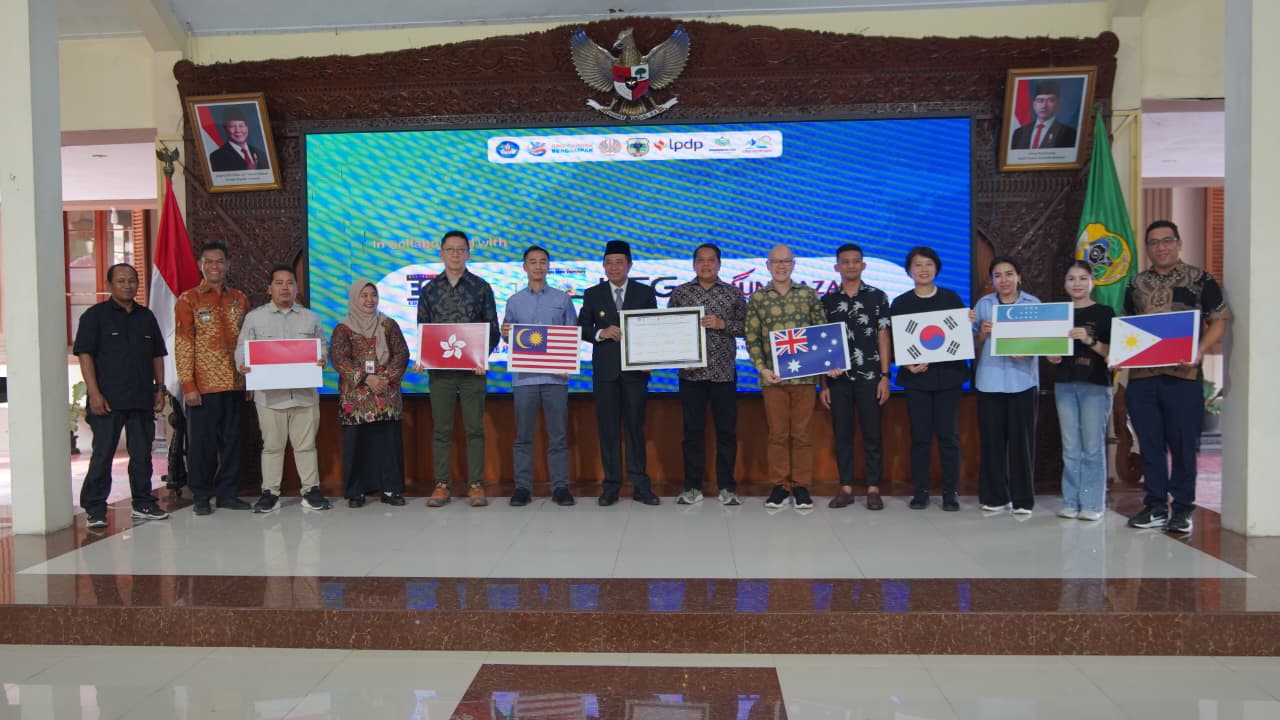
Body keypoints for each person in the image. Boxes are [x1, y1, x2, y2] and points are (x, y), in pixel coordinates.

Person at [1123, 220, 1230, 535]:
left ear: (1179, 243)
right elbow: (1128, 328)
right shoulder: (1135, 284)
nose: (1161, 247)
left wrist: (1200, 351)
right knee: (1150, 444)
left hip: (1183, 376)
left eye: (1167, 240)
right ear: (1147, 248)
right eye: (1153, 242)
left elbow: (1219, 320)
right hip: (1142, 379)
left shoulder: (1200, 279)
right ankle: (1155, 506)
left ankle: (1182, 509)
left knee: (1183, 445)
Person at [73, 263, 169, 528]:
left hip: (141, 398)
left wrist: (159, 388)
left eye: (132, 280)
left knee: (142, 455)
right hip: (107, 400)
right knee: (103, 455)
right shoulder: (94, 316)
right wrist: (94, 393)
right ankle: (95, 508)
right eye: (121, 281)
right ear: (109, 285)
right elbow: (85, 356)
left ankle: (143, 503)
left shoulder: (146, 317)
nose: (127, 285)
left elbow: (157, 355)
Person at [235, 265, 330, 513]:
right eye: (279, 283)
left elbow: (322, 345)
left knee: (306, 446)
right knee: (272, 447)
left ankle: (311, 491)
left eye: (290, 283)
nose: (285, 288)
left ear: (297, 288)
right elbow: (241, 348)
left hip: (304, 394)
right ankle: (270, 493)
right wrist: (242, 363)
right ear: (270, 288)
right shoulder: (255, 318)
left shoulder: (310, 318)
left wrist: (322, 357)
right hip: (269, 397)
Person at [417, 230, 500, 508]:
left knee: (474, 429)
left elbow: (493, 329)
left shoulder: (481, 287)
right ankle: (442, 485)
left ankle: (476, 484)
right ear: (441, 253)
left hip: (472, 374)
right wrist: (424, 356)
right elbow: (423, 329)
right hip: (440, 374)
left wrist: (481, 358)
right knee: (442, 429)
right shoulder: (429, 290)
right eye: (450, 249)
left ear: (468, 253)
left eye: (460, 249)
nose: (455, 254)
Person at [578, 239, 661, 506]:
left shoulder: (644, 292)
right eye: (609, 263)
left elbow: (653, 328)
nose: (614, 267)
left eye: (619, 262)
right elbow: (581, 327)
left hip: (636, 373)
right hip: (606, 373)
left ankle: (640, 485)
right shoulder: (592, 293)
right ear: (603, 266)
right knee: (609, 430)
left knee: (635, 428)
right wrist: (601, 332)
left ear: (630, 265)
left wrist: (651, 358)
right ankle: (611, 486)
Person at [745, 244, 827, 510]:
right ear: (767, 265)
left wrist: (828, 364)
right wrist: (762, 368)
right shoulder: (758, 298)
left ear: (793, 264)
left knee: (801, 434)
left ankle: (801, 486)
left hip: (805, 379)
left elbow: (822, 333)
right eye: (776, 261)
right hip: (773, 379)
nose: (781, 266)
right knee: (777, 434)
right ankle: (780, 486)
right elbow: (752, 338)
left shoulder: (808, 295)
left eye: (786, 261)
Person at [890, 246, 969, 512]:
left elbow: (960, 338)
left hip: (948, 378)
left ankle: (950, 492)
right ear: (909, 271)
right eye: (917, 265)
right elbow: (893, 342)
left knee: (948, 436)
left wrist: (967, 322)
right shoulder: (900, 303)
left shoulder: (951, 298)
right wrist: (906, 363)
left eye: (928, 264)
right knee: (920, 437)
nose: (923, 269)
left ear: (936, 268)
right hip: (917, 381)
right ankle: (920, 492)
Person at [668, 243, 747, 507]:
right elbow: (669, 331)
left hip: (724, 374)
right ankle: (692, 487)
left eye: (711, 260)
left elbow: (747, 327)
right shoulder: (681, 293)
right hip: (691, 376)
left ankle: (727, 487)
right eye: (700, 260)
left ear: (719, 264)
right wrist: (681, 359)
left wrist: (723, 324)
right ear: (693, 264)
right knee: (692, 434)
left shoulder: (733, 293)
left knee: (727, 433)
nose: (706, 264)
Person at [174, 241, 249, 516]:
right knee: (201, 445)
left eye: (220, 261)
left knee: (232, 443)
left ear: (228, 265)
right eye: (209, 261)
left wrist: (250, 382)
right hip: (203, 388)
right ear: (200, 265)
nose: (215, 266)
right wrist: (188, 385)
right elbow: (183, 345)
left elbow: (248, 343)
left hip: (236, 384)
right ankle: (202, 495)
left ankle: (228, 493)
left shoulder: (240, 299)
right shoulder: (188, 300)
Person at [501, 245, 578, 507]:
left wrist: (568, 362)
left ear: (548, 266)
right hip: (524, 379)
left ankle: (560, 487)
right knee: (523, 436)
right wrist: (506, 333)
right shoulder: (514, 301)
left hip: (556, 379)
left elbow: (571, 335)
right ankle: (522, 488)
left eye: (542, 261)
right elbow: (509, 336)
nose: (538, 266)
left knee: (558, 436)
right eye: (532, 262)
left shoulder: (562, 299)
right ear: (525, 267)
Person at [819, 243, 891, 511]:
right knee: (843, 435)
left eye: (855, 261)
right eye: (845, 261)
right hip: (837, 380)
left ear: (863, 265)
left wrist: (885, 376)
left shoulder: (878, 297)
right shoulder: (826, 301)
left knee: (873, 434)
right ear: (837, 266)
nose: (851, 265)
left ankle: (873, 488)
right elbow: (821, 343)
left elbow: (883, 336)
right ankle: (846, 488)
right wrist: (823, 383)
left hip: (870, 376)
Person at [330, 280, 411, 507]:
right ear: (355, 298)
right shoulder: (343, 328)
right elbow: (339, 358)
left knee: (388, 444)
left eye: (373, 295)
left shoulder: (388, 324)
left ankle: (391, 489)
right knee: (357, 445)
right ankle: (356, 491)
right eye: (363, 295)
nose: (369, 300)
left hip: (386, 393)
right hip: (356, 398)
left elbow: (401, 354)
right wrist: (367, 378)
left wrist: (384, 378)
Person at [972, 256, 1040, 516]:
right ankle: (995, 496)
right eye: (998, 275)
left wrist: (1028, 351)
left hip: (1022, 382)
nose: (1004, 280)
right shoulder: (984, 304)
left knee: (1022, 444)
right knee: (992, 443)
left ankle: (1023, 500)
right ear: (992, 280)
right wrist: (983, 333)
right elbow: (972, 343)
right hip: (989, 382)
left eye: (1009, 274)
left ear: (1019, 277)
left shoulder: (1033, 304)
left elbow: (1045, 340)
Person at [1047, 260, 1114, 522]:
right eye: (1071, 278)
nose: (1077, 284)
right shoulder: (1058, 313)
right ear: (1065, 283)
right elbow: (1049, 348)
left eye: (1083, 278)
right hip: (1064, 383)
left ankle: (1093, 503)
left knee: (1092, 447)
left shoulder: (1105, 312)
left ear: (1092, 282)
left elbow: (1113, 353)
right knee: (1070, 447)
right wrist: (1051, 356)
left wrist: (1089, 340)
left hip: (1095, 384)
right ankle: (1070, 501)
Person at [1010, 80, 1078, 150]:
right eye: (1040, 100)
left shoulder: (1068, 133)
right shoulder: (1019, 132)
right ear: (1034, 104)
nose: (1044, 106)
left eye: (1050, 100)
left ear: (1058, 103)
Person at [208, 106, 270, 172]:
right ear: (225, 129)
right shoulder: (217, 157)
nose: (238, 130)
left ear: (247, 127)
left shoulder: (260, 154)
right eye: (232, 126)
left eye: (241, 126)